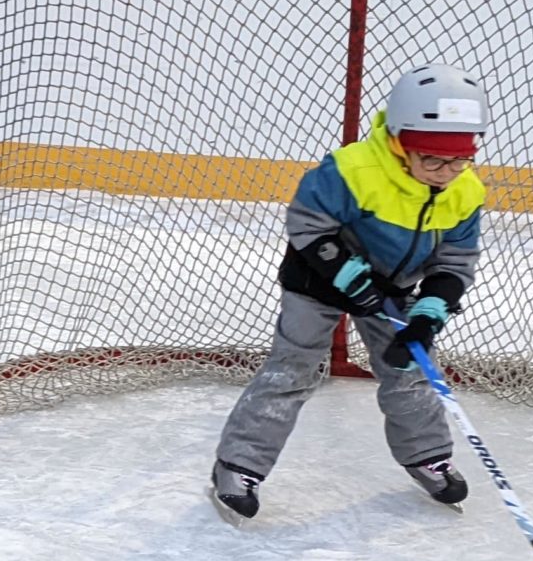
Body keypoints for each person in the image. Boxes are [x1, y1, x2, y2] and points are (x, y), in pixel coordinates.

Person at [210, 65, 489, 521]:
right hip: (317, 282)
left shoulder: (465, 190)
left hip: (393, 289)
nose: (446, 173)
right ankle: (238, 465)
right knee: (293, 369)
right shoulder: (350, 170)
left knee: (411, 367)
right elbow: (307, 224)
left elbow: (456, 259)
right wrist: (351, 279)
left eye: (458, 161)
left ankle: (428, 456)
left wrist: (429, 313)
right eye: (432, 160)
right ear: (399, 142)